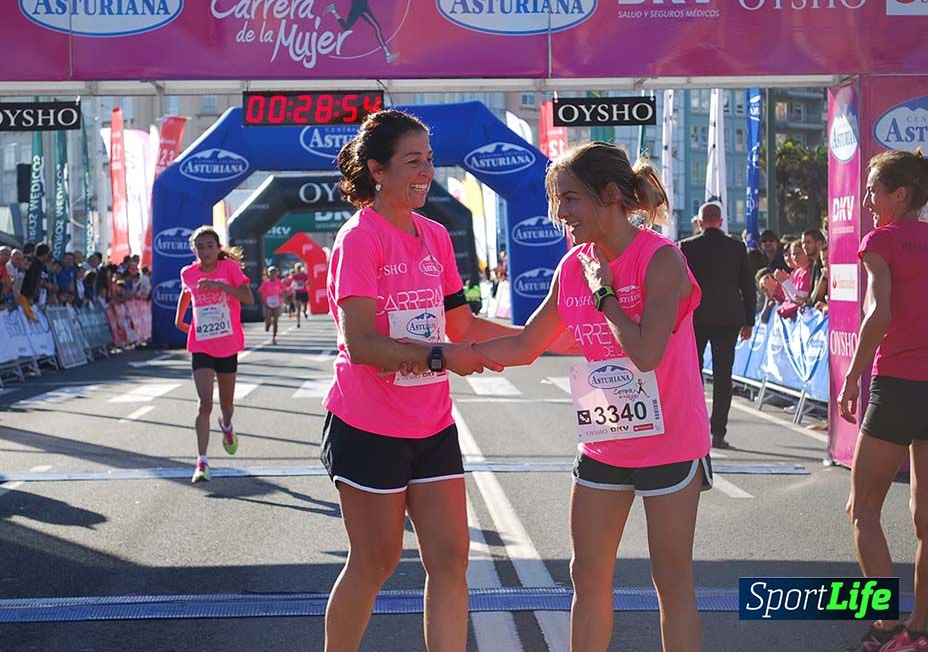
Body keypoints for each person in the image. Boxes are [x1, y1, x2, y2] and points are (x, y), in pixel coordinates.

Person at [475, 142, 711, 652]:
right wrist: (446, 354)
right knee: (586, 578)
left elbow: (647, 352)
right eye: (557, 200)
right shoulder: (572, 268)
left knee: (671, 584)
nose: (560, 213)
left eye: (570, 199)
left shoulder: (661, 259)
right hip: (605, 442)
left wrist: (606, 297)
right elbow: (524, 344)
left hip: (670, 443)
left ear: (608, 196)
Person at [322, 109, 515, 652]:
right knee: (377, 560)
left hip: (431, 424)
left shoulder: (435, 234)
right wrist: (441, 358)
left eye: (429, 160)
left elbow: (462, 325)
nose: (426, 171)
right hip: (368, 425)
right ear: (378, 171)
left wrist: (547, 337)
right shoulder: (360, 238)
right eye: (413, 161)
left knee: (453, 559)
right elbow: (360, 344)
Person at [840, 150, 928, 652]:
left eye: (874, 191)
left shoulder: (881, 240)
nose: (867, 201)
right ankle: (918, 632)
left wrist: (853, 376)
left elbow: (878, 314)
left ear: (901, 195)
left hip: (898, 382)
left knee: (863, 509)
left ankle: (886, 627)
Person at [175, 226, 254, 484]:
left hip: (227, 344)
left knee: (227, 406)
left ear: (218, 248)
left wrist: (219, 286)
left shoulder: (229, 269)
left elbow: (248, 298)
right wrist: (180, 320)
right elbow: (186, 293)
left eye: (210, 246)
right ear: (194, 250)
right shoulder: (188, 273)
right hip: (201, 345)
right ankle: (202, 462)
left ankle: (228, 426)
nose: (205, 251)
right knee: (205, 403)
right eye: (200, 247)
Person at [679, 202, 756, 450]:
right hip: (728, 318)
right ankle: (718, 432)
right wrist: (749, 321)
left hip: (696, 317)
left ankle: (694, 428)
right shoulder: (736, 247)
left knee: (694, 374)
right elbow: (748, 286)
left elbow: (679, 286)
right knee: (724, 376)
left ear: (699, 223)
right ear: (721, 222)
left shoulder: (686, 247)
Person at [324, 0, 396, 64]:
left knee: (347, 27)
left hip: (360, 2)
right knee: (377, 28)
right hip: (360, 2)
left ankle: (333, 10)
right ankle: (388, 55)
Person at [258, 266, 286, 344]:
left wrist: (282, 295)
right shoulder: (266, 283)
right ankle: (267, 324)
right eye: (271, 273)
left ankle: (274, 337)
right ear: (269, 274)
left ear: (276, 274)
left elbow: (284, 290)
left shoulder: (279, 282)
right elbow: (260, 291)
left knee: (276, 321)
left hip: (277, 303)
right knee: (269, 319)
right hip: (268, 303)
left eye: (274, 273)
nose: (273, 275)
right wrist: (262, 300)